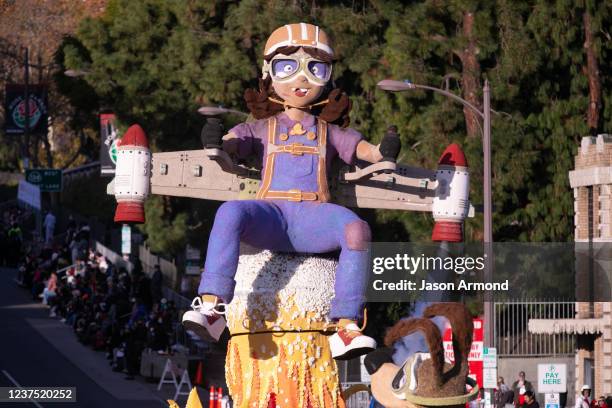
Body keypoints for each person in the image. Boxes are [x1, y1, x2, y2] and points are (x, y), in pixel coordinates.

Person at [182, 22, 400, 360]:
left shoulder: (330, 132)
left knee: (357, 229)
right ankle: (212, 307)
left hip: (316, 218)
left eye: (315, 68)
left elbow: (365, 152)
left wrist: (384, 151)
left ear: (328, 77)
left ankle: (346, 326)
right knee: (230, 212)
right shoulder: (260, 128)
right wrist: (216, 141)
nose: (301, 79)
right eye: (288, 67)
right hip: (272, 216)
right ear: (269, 72)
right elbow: (232, 145)